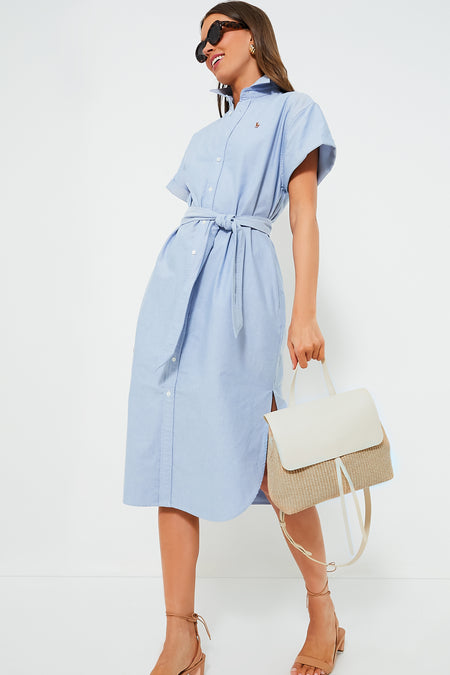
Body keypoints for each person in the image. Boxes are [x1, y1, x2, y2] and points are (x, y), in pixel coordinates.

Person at [122, 3, 342, 674]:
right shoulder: (204, 136)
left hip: (243, 288)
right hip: (175, 291)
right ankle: (180, 636)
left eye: (217, 31)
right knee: (169, 452)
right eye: (200, 45)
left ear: (254, 33)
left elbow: (303, 217)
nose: (208, 48)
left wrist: (304, 313)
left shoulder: (294, 111)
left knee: (276, 462)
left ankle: (323, 612)